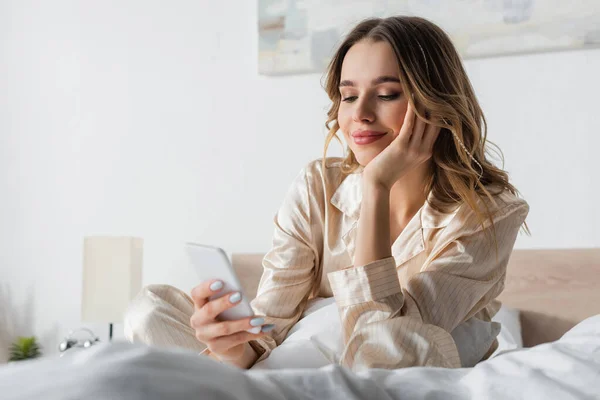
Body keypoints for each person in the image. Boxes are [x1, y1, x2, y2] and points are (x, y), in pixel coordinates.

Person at [124, 16, 529, 371]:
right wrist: (229, 347)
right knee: (150, 310)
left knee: (396, 342)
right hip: (290, 361)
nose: (360, 114)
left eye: (387, 94)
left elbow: (380, 348)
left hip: (393, 360)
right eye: (348, 95)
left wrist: (376, 186)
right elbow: (271, 326)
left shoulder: (490, 213)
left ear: (435, 103)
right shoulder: (317, 185)